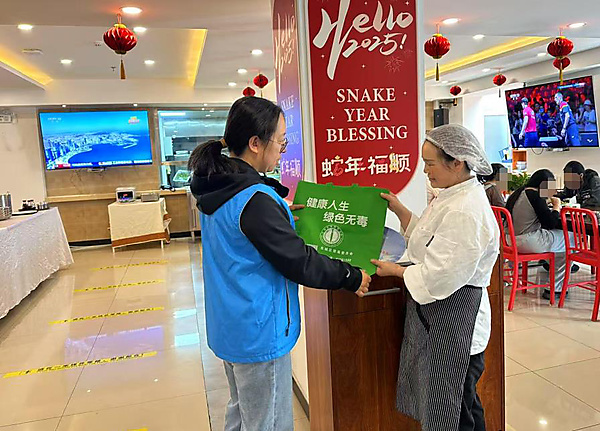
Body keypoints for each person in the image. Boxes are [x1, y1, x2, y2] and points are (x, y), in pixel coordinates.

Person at [189, 96, 371, 431]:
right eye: (281, 141)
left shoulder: (217, 187)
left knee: (242, 414)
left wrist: (279, 214)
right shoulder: (255, 200)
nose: (283, 150)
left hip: (231, 323)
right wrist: (350, 275)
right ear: (255, 143)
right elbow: (298, 262)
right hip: (259, 329)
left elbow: (242, 235)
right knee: (268, 423)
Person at [371, 124, 500, 431]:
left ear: (457, 162)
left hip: (458, 319)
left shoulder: (465, 210)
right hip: (443, 317)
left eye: (430, 164)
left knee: (456, 408)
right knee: (461, 402)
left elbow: (441, 275)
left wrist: (396, 271)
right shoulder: (452, 196)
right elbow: (431, 241)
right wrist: (400, 210)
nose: (425, 171)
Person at [506, 169, 574, 301]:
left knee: (560, 241)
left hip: (510, 241)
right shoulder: (535, 196)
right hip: (528, 241)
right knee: (570, 238)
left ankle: (549, 263)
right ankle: (556, 288)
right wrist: (556, 207)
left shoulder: (518, 193)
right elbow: (550, 223)